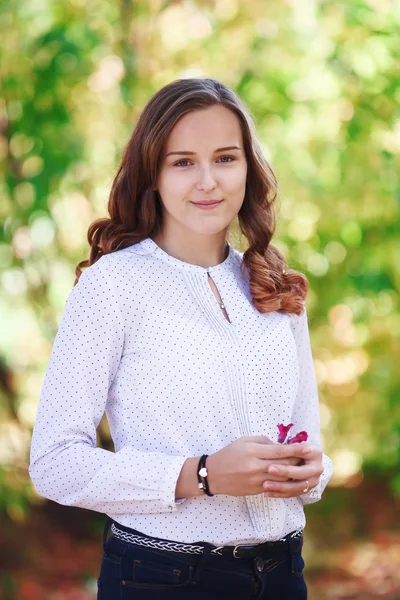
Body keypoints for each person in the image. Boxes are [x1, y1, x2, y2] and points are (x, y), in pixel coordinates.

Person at [29, 77, 333, 599]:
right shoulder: (113, 286)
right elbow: (54, 463)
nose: (208, 181)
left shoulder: (278, 289)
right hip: (163, 578)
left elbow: (309, 445)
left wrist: (312, 471)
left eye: (226, 158)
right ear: (153, 174)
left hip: (283, 574)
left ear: (248, 168)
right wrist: (204, 475)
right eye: (183, 162)